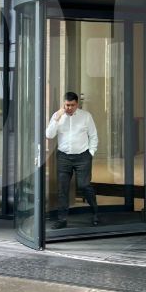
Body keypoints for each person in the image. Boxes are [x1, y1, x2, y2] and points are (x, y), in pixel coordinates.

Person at [45, 91, 99, 229]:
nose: (69, 108)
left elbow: (93, 136)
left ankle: (95, 213)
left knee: (84, 185)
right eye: (67, 105)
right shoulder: (57, 116)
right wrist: (57, 118)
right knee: (62, 189)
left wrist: (90, 153)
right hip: (64, 157)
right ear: (64, 104)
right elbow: (49, 135)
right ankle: (62, 220)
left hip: (82, 156)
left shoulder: (86, 116)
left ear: (77, 104)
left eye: (72, 105)